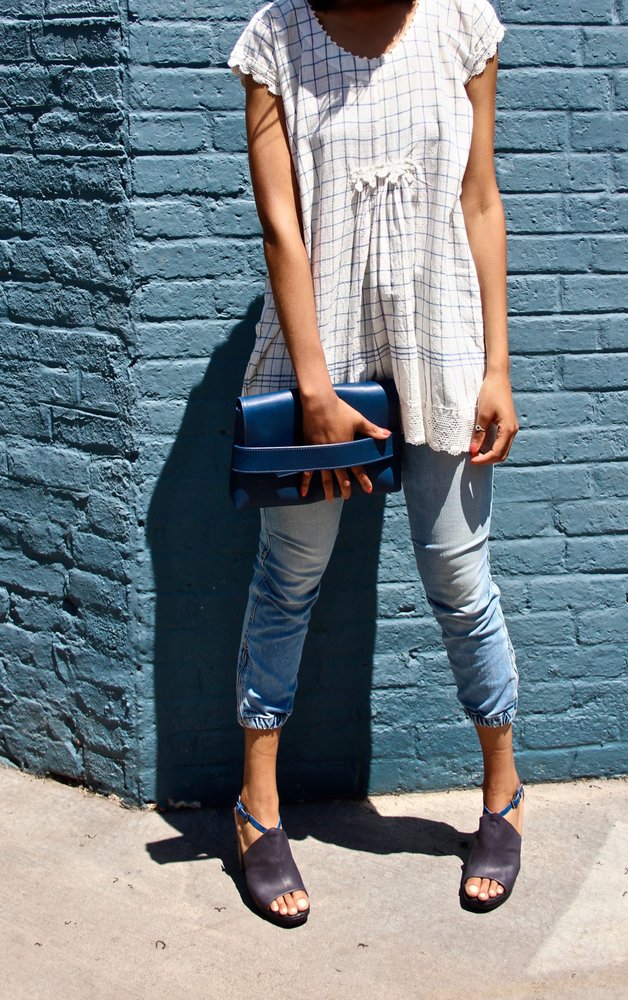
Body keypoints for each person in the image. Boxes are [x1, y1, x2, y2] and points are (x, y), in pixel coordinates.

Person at [228, 0, 523, 926]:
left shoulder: (463, 23)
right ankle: (257, 807)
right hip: (319, 357)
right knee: (290, 579)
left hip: (444, 342)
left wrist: (498, 366)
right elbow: (281, 226)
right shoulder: (277, 39)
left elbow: (480, 196)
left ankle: (504, 796)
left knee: (460, 580)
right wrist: (314, 390)